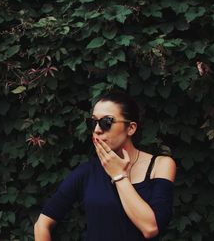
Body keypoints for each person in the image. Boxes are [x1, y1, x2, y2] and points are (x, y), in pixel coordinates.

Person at [34, 90, 176, 240]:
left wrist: (119, 175)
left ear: (131, 128)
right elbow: (42, 224)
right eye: (93, 122)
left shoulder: (160, 165)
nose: (97, 130)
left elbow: (150, 228)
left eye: (106, 122)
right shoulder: (87, 172)